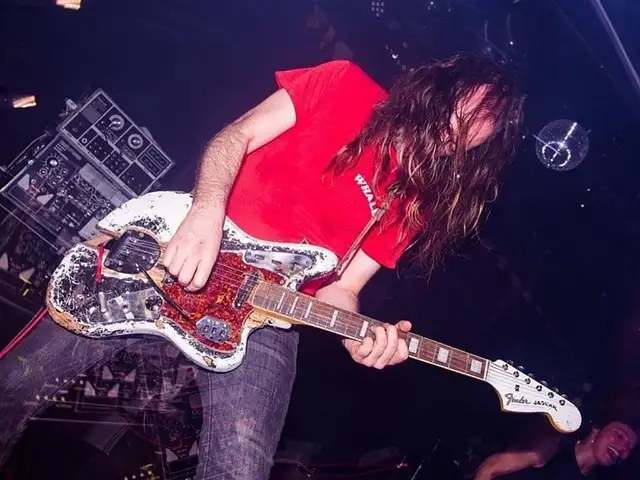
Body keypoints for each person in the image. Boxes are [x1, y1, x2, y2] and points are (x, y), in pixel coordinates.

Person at [0, 54, 524, 479]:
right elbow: (237, 136)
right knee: (16, 384)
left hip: (264, 320)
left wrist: (363, 337)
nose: (456, 139)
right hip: (177, 250)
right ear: (439, 90)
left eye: (470, 139)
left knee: (239, 469)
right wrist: (206, 213)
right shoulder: (344, 86)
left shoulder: (417, 203)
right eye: (460, 118)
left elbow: (341, 288)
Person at [474, 419, 638, 479]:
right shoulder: (552, 445)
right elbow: (489, 468)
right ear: (596, 430)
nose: (623, 448)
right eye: (620, 436)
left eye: (629, 448)